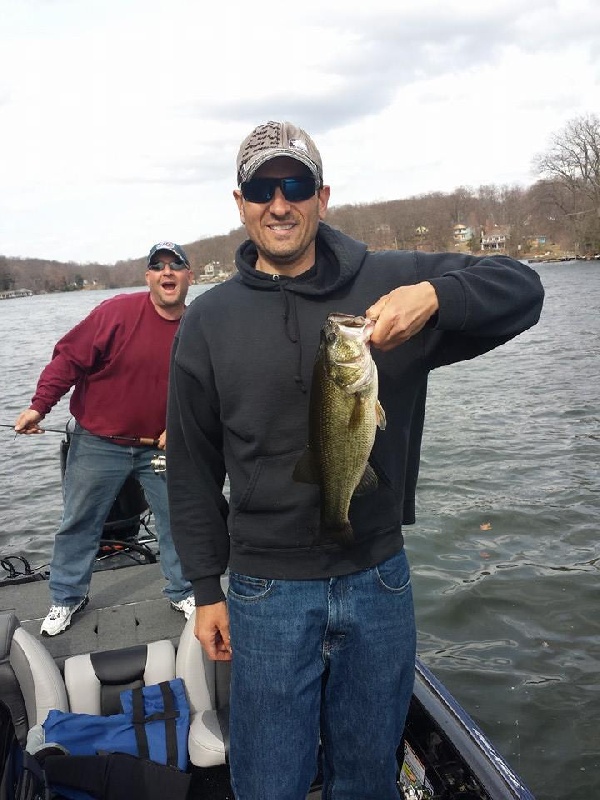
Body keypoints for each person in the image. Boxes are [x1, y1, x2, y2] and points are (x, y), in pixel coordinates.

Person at [166, 121, 545, 799]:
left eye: (296, 185)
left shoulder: (392, 280)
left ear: (323, 195)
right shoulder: (208, 321)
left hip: (379, 577)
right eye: (261, 188)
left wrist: (435, 297)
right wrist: (205, 590)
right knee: (269, 781)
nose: (279, 203)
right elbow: (192, 471)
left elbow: (523, 291)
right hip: (264, 588)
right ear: (240, 202)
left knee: (368, 777)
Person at [14, 242, 196, 636]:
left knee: (178, 521)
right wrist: (38, 407)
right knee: (78, 523)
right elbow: (68, 359)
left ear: (189, 277)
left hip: (162, 447)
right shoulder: (115, 313)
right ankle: (66, 597)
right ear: (147, 277)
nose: (167, 273)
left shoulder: (200, 325)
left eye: (176, 266)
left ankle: (182, 590)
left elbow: (212, 388)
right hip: (98, 441)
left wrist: (182, 426)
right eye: (158, 267)